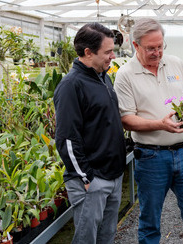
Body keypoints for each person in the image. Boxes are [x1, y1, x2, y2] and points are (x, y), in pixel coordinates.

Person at [114, 18, 183, 244]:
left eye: (160, 46)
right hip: (151, 156)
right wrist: (159, 124)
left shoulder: (175, 63)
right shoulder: (125, 75)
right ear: (135, 46)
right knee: (150, 221)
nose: (157, 53)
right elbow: (126, 119)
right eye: (150, 48)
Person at [53, 23, 126, 244]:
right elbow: (66, 139)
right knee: (87, 239)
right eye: (107, 52)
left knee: (106, 237)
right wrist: (86, 179)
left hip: (113, 175)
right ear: (88, 52)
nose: (113, 56)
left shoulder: (103, 76)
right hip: (92, 181)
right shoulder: (71, 86)